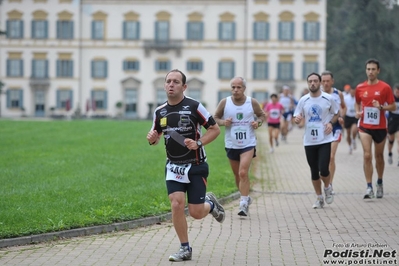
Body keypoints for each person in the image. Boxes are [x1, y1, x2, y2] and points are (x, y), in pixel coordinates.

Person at [146, 69, 225, 262]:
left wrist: (199, 143)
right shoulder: (160, 111)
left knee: (197, 213)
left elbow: (214, 130)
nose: (171, 85)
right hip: (173, 167)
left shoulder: (195, 106)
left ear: (184, 86)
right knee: (176, 204)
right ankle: (185, 248)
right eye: (168, 81)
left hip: (196, 164)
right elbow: (155, 136)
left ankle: (211, 204)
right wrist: (152, 139)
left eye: (175, 82)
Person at [214, 77, 266, 217]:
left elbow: (262, 116)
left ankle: (243, 203)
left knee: (243, 173)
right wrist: (224, 122)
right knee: (237, 175)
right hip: (231, 143)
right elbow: (215, 119)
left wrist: (257, 123)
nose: (235, 90)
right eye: (233, 87)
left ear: (244, 88)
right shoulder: (225, 102)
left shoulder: (252, 102)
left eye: (238, 87)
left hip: (248, 143)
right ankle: (246, 196)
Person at [293, 72, 339, 209]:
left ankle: (327, 187)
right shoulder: (303, 100)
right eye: (310, 81)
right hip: (309, 140)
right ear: (308, 84)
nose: (312, 83)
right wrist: (297, 120)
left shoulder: (328, 98)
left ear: (319, 83)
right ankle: (319, 198)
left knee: (324, 169)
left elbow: (336, 113)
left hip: (324, 139)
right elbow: (297, 116)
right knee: (314, 171)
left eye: (315, 81)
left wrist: (331, 123)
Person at [354, 59, 396, 199]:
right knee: (367, 155)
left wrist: (381, 107)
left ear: (378, 71)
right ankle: (369, 187)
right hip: (365, 126)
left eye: (373, 69)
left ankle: (379, 182)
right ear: (365, 70)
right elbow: (357, 103)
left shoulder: (385, 87)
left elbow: (393, 106)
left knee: (379, 157)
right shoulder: (360, 87)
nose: (370, 72)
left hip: (380, 127)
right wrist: (357, 112)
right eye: (368, 69)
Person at [321, 71, 347, 194]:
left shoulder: (338, 93)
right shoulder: (317, 94)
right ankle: (325, 181)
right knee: (322, 159)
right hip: (321, 128)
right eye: (323, 81)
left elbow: (344, 107)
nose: (326, 83)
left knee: (331, 157)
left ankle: (330, 184)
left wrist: (342, 116)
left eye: (328, 81)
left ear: (332, 81)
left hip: (335, 127)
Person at [343, 85, 359, 154]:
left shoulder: (357, 98)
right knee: (348, 133)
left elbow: (360, 105)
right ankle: (349, 146)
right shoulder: (346, 98)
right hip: (348, 116)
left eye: (354, 92)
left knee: (354, 130)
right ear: (350, 91)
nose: (353, 94)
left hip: (354, 116)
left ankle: (354, 139)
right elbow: (343, 106)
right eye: (352, 92)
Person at [387, 83, 399, 166]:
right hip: (392, 119)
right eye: (396, 92)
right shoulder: (390, 98)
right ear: (394, 91)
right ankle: (390, 153)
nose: (398, 94)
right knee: (391, 139)